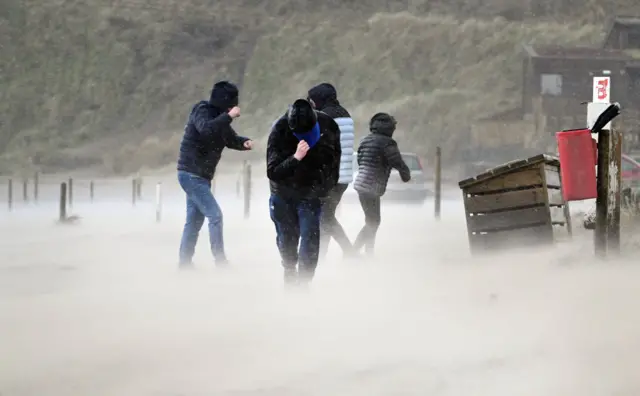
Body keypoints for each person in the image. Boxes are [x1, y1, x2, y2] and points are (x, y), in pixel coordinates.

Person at [176, 81, 253, 268]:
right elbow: (206, 130)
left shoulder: (221, 118)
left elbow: (229, 138)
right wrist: (228, 116)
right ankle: (220, 262)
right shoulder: (201, 110)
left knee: (194, 222)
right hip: (190, 173)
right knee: (215, 215)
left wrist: (244, 143)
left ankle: (184, 264)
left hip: (202, 176)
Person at [266, 98, 341, 286]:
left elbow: (334, 165)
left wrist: (324, 190)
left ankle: (304, 282)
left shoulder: (328, 126)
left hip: (311, 192)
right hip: (282, 193)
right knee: (287, 239)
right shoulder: (279, 130)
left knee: (310, 236)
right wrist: (296, 158)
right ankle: (289, 269)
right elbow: (273, 172)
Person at [307, 83, 355, 258]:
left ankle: (349, 252)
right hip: (343, 176)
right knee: (326, 216)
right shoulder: (345, 114)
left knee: (325, 218)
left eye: (312, 100)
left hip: (329, 176)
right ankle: (322, 255)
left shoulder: (324, 117)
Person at [352, 113, 411, 255]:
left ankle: (368, 253)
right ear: (390, 128)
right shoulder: (387, 142)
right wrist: (405, 174)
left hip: (361, 184)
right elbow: (396, 161)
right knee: (373, 222)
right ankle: (352, 252)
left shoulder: (366, 140)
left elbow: (360, 160)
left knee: (371, 221)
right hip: (372, 185)